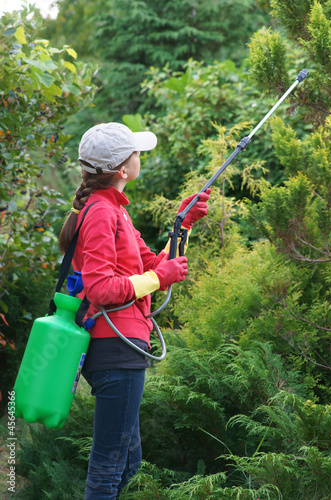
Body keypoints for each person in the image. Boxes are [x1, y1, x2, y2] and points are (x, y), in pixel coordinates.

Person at [58, 122, 210, 499]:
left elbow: (156, 265)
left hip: (122, 345)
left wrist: (183, 223)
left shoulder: (115, 212)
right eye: (137, 153)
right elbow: (100, 287)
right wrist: (159, 279)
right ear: (122, 170)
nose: (141, 158)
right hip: (115, 348)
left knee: (128, 465)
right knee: (109, 468)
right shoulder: (101, 214)